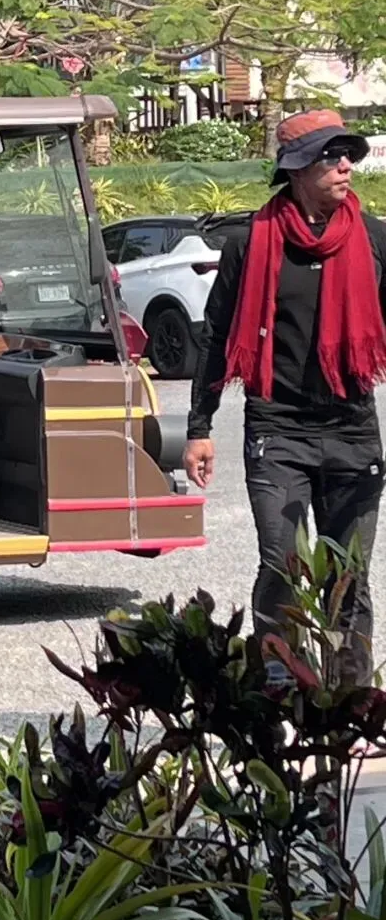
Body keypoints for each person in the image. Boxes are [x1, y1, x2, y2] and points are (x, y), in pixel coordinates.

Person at [184, 109, 386, 685]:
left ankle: (348, 707)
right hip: (278, 430)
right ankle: (275, 696)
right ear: (296, 170)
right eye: (330, 156)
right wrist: (199, 428)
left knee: (349, 576)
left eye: (347, 155)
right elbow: (216, 337)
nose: (345, 166)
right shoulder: (251, 242)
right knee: (282, 567)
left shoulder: (375, 238)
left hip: (352, 430)